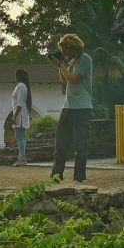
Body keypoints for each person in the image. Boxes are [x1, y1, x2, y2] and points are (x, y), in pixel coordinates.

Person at [50, 34, 93, 183]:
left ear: (72, 47)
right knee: (60, 143)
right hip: (68, 106)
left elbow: (74, 79)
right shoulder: (72, 61)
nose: (63, 52)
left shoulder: (85, 59)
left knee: (80, 145)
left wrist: (62, 65)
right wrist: (59, 66)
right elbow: (65, 80)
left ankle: (79, 178)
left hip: (82, 107)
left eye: (64, 49)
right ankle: (56, 176)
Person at [11, 69, 32, 166]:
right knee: (21, 137)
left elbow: (19, 103)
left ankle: (22, 158)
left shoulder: (20, 86)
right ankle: (21, 157)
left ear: (18, 76)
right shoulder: (23, 86)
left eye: (15, 76)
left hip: (20, 114)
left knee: (20, 138)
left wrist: (14, 116)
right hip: (21, 113)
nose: (14, 78)